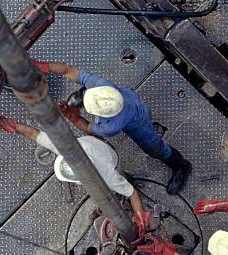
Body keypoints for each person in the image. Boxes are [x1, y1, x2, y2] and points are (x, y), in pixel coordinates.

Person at [33, 60, 192, 195]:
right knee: (143, 112)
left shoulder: (110, 126)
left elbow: (88, 127)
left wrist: (72, 116)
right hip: (134, 101)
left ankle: (181, 166)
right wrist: (45, 66)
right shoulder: (102, 86)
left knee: (154, 148)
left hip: (138, 124)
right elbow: (69, 70)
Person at [0, 115, 152, 236]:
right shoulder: (67, 148)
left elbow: (132, 193)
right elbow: (34, 134)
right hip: (95, 145)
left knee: (117, 185)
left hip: (111, 159)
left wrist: (140, 218)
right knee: (98, 143)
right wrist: (8, 123)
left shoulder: (107, 176)